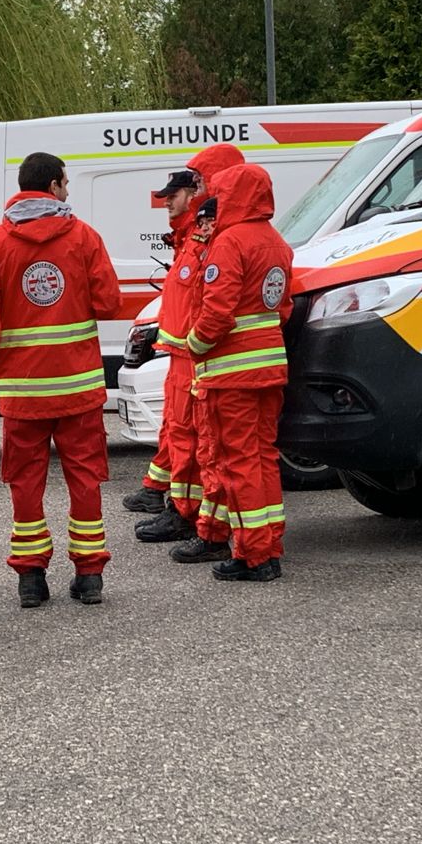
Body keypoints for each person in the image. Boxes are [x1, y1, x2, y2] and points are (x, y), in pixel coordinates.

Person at [0, 153, 121, 608]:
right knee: (85, 478)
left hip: (23, 390)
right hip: (77, 384)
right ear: (55, 186)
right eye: (66, 183)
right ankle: (90, 575)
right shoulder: (83, 237)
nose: (68, 191)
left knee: (25, 481)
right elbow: (109, 302)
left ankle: (31, 578)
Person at [176, 163, 293, 582]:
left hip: (231, 374)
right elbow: (282, 309)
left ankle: (254, 556)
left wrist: (193, 345)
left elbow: (217, 314)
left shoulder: (229, 242)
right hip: (269, 369)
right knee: (263, 457)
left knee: (237, 463)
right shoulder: (277, 242)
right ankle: (269, 546)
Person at [132, 142, 247, 543]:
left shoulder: (216, 233)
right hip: (184, 352)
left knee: (192, 437)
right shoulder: (200, 232)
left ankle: (186, 513)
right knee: (183, 433)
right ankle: (182, 508)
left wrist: (196, 343)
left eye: (198, 181)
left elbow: (213, 300)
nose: (193, 188)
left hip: (196, 354)